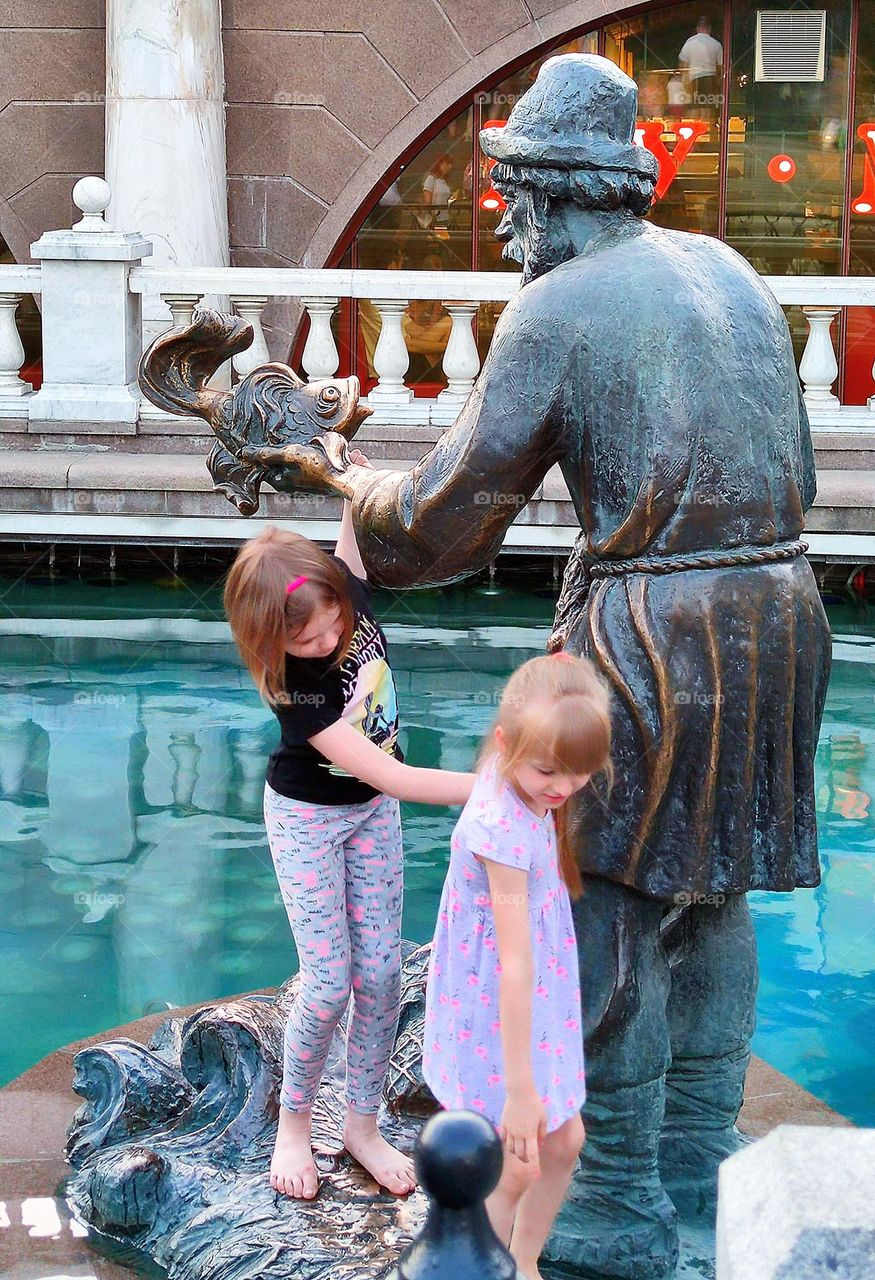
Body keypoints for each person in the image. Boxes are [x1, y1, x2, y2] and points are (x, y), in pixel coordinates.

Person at [241, 54, 830, 1278]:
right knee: (707, 889)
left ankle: (612, 1200)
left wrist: (332, 479)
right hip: (779, 612)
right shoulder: (725, 271)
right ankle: (688, 1158)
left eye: (511, 193)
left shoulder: (556, 309)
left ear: (558, 191)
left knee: (602, 898)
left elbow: (439, 527)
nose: (504, 220)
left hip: (658, 635)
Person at [222, 473, 475, 1202]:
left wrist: (348, 475)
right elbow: (391, 777)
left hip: (370, 817)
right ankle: (295, 1122)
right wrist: (498, 787)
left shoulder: (339, 591)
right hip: (309, 820)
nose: (329, 641)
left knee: (383, 978)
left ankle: (361, 1125)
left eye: (332, 624)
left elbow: (352, 531)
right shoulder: (294, 691)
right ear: (269, 640)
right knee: (329, 983)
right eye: (306, 639)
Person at [423, 652, 611, 1280]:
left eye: (581, 774)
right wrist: (522, 1091)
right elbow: (511, 962)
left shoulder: (519, 774)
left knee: (566, 1143)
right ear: (506, 745)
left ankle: (523, 1260)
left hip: (536, 994)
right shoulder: (500, 828)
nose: (562, 789)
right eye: (549, 771)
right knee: (514, 1162)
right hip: (496, 1006)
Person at [678, 16, 723, 119]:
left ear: (697, 28)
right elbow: (721, 67)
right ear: (709, 28)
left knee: (694, 107)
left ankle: (696, 128)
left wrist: (685, 81)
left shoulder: (689, 43)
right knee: (708, 107)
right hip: (710, 79)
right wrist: (718, 81)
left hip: (694, 79)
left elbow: (683, 64)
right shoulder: (716, 44)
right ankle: (707, 130)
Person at [419, 154, 453, 229]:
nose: (449, 167)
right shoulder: (431, 179)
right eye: (447, 164)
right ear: (440, 164)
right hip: (435, 218)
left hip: (445, 217)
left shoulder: (443, 181)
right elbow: (427, 200)